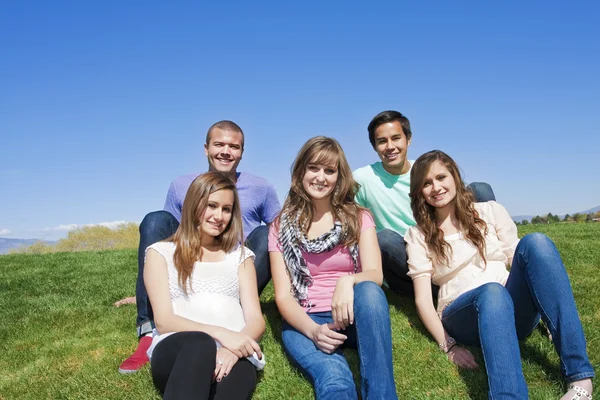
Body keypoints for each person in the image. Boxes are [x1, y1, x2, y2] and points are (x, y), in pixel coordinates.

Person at [405, 150, 594, 400]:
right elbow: (423, 301)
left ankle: (581, 379)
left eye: (441, 177)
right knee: (492, 291)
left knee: (536, 242)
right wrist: (448, 344)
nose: (436, 187)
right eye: (427, 183)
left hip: (510, 306)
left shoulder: (489, 211)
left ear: (455, 176)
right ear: (419, 192)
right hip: (463, 314)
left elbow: (521, 259)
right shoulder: (418, 235)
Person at [119, 120, 280, 373]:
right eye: (219, 144)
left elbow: (283, 236)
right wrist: (154, 288)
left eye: (234, 146)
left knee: (266, 233)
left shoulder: (262, 188)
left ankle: (240, 309)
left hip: (238, 268)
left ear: (242, 152)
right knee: (155, 220)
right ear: (206, 148)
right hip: (193, 266)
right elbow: (167, 235)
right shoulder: (181, 185)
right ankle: (148, 330)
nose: (226, 151)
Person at [268, 136, 397, 399]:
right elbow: (282, 295)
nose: (321, 177)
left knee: (371, 292)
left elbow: (374, 274)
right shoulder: (280, 226)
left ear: (339, 177)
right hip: (308, 317)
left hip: (353, 313)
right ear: (301, 171)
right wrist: (313, 331)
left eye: (330, 170)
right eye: (314, 168)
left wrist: (347, 281)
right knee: (335, 380)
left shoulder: (359, 217)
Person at [144, 171, 265, 399]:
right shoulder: (160, 253)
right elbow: (164, 320)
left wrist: (231, 349)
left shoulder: (241, 257)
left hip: (233, 353)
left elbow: (256, 319)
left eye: (226, 209)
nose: (219, 216)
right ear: (193, 204)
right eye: (211, 205)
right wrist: (221, 335)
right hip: (180, 349)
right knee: (201, 343)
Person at [353, 110, 496, 296]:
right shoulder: (361, 179)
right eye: (382, 141)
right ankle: (435, 288)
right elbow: (346, 222)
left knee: (480, 188)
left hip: (439, 241)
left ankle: (492, 259)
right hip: (406, 253)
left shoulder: (423, 171)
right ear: (374, 147)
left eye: (396, 138)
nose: (390, 146)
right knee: (385, 239)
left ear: (408, 139)